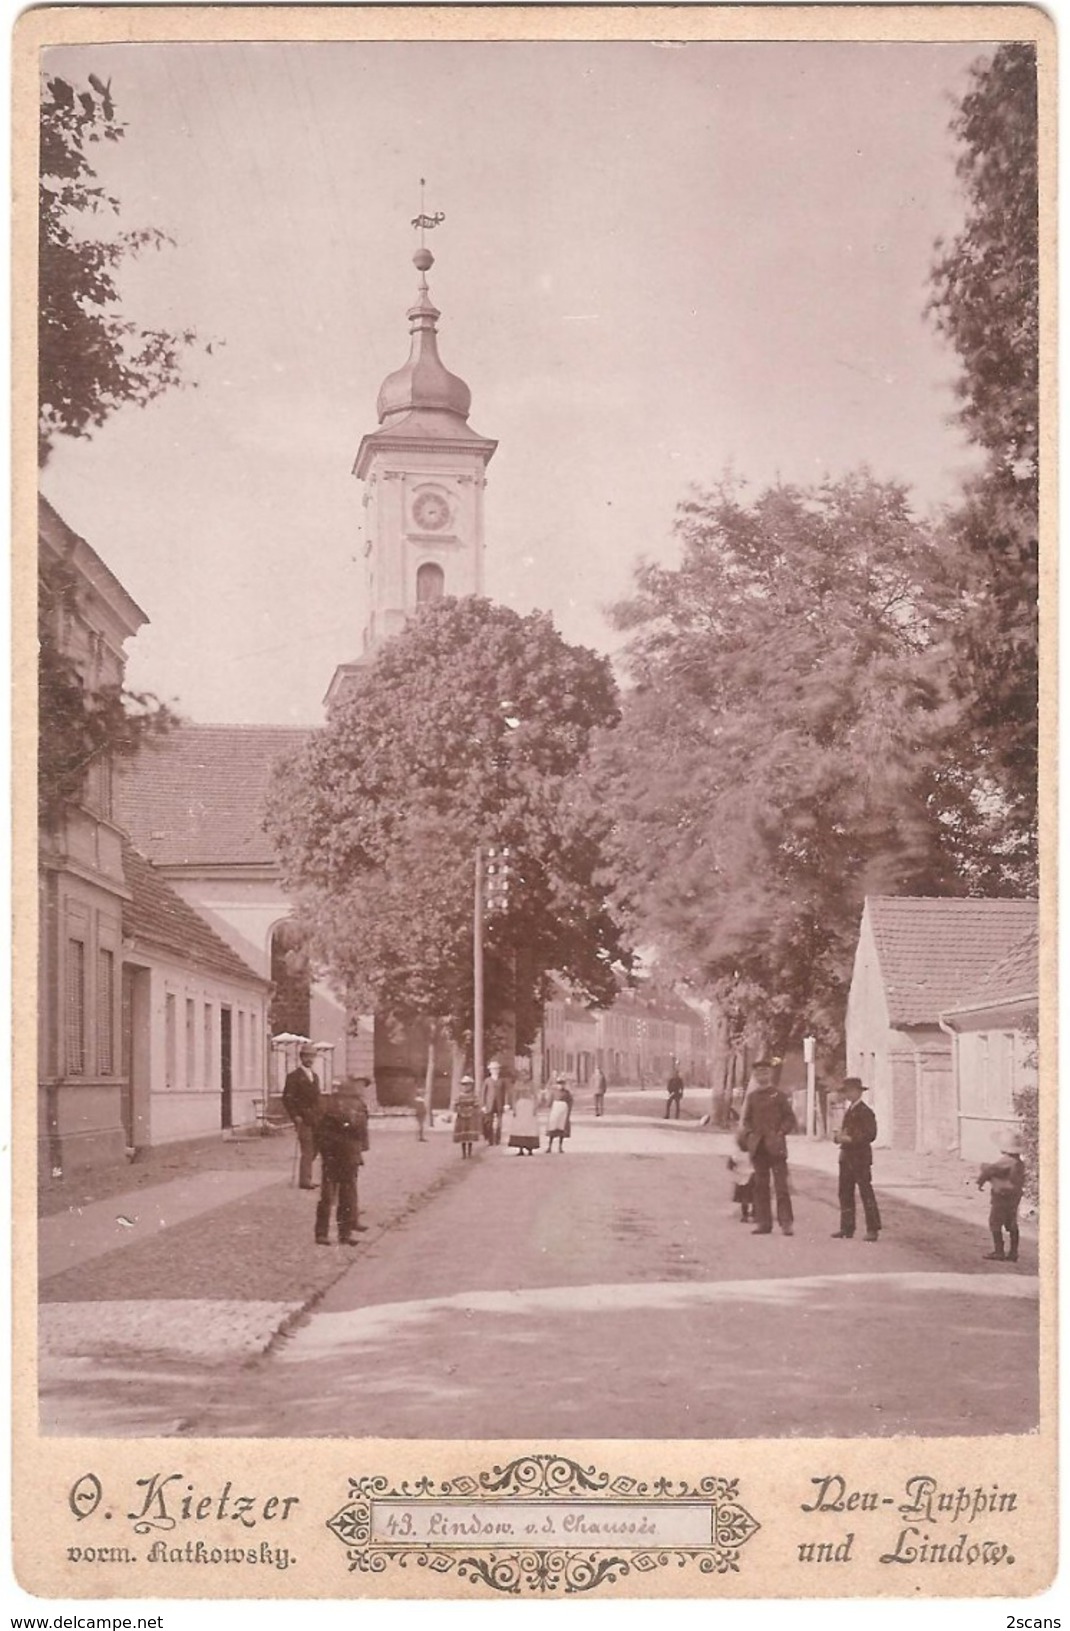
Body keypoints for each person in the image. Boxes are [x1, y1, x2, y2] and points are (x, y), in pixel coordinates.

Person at [738, 1060, 796, 1235]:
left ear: (770, 1074)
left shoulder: (778, 1096)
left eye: (765, 1072)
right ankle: (764, 1223)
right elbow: (746, 1120)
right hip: (758, 1148)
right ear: (755, 1076)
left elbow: (790, 1118)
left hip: (776, 1147)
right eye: (758, 1073)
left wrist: (781, 1132)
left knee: (781, 1187)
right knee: (760, 1187)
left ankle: (786, 1223)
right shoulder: (752, 1097)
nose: (761, 1076)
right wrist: (750, 1135)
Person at [314, 1078, 370, 1244]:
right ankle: (342, 1235)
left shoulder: (330, 1103)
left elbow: (319, 1131)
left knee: (331, 1196)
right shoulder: (355, 1105)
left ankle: (323, 1233)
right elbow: (361, 1130)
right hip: (344, 1155)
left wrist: (324, 1150)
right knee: (341, 1196)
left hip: (336, 1156)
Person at [832, 1077, 881, 1242]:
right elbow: (845, 1131)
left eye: (851, 1091)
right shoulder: (849, 1110)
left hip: (860, 1157)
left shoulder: (866, 1111)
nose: (848, 1094)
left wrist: (851, 1139)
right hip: (846, 1157)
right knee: (844, 1192)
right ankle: (847, 1228)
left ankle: (873, 1229)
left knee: (865, 1192)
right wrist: (838, 1137)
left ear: (859, 1092)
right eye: (846, 1091)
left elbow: (870, 1134)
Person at [978, 1132, 1026, 1262]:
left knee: (995, 1222)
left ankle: (999, 1251)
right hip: (1014, 1196)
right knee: (1011, 1223)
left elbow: (989, 1171)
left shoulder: (1005, 1162)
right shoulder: (1019, 1163)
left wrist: (981, 1180)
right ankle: (1013, 1252)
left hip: (1002, 1196)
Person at [282, 1043, 322, 1190]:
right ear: (301, 1057)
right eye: (307, 1056)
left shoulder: (315, 1077)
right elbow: (287, 1098)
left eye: (312, 1056)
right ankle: (305, 1180)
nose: (310, 1059)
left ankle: (306, 1174)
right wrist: (295, 1116)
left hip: (315, 1118)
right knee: (307, 1148)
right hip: (302, 1118)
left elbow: (317, 1098)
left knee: (315, 1148)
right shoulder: (293, 1077)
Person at [453, 1076, 481, 1159]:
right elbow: (455, 1106)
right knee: (463, 1136)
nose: (466, 1087)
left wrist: (472, 1111)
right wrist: (460, 1111)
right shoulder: (459, 1096)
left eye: (468, 1085)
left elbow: (477, 1106)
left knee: (469, 1136)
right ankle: (463, 1153)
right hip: (461, 1117)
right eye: (464, 1085)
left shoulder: (473, 1096)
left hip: (470, 1117)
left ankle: (469, 1153)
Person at [508, 1085, 541, 1155]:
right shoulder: (517, 1085)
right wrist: (514, 1108)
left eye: (527, 1074)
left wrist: (535, 1107)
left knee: (530, 1128)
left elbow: (536, 1096)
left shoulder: (532, 1085)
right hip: (520, 1106)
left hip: (529, 1106)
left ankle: (530, 1149)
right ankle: (521, 1149)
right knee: (520, 1128)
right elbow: (514, 1097)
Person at [726, 1153, 755, 1222]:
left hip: (741, 1177)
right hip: (753, 1175)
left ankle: (745, 1216)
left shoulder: (736, 1155)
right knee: (755, 1196)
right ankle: (755, 1213)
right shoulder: (753, 1153)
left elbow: (730, 1166)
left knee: (744, 1198)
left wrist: (735, 1170)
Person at [482, 1060, 505, 1146]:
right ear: (490, 1070)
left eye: (496, 1069)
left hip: (499, 1104)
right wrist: (483, 1105)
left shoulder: (502, 1081)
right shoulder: (487, 1080)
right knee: (489, 1123)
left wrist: (506, 1104)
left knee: (499, 1123)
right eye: (493, 1069)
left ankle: (498, 1140)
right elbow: (483, 1093)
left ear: (499, 1070)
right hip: (489, 1104)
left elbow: (505, 1093)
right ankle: (490, 1140)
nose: (495, 1070)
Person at [546, 1082, 571, 1153]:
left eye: (562, 1084)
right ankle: (549, 1147)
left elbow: (570, 1101)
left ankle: (560, 1147)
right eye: (559, 1084)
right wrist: (549, 1105)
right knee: (552, 1128)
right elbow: (550, 1101)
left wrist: (568, 1111)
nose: (561, 1086)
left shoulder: (567, 1093)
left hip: (563, 1110)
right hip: (555, 1109)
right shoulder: (554, 1092)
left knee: (561, 1129)